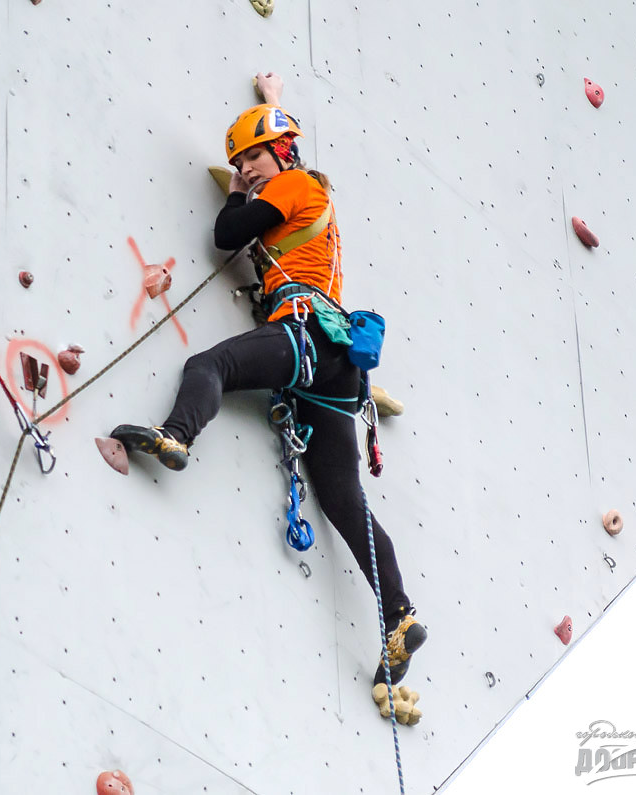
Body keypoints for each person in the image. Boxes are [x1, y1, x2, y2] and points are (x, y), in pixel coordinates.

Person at [111, 72, 426, 685]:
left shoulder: (294, 183)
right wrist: (271, 102)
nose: (246, 168)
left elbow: (228, 234)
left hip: (303, 333)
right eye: (239, 162)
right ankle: (399, 614)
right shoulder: (308, 191)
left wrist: (234, 193)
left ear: (280, 153)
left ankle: (177, 436)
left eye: (252, 157)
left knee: (209, 366)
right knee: (343, 499)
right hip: (336, 372)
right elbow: (273, 181)